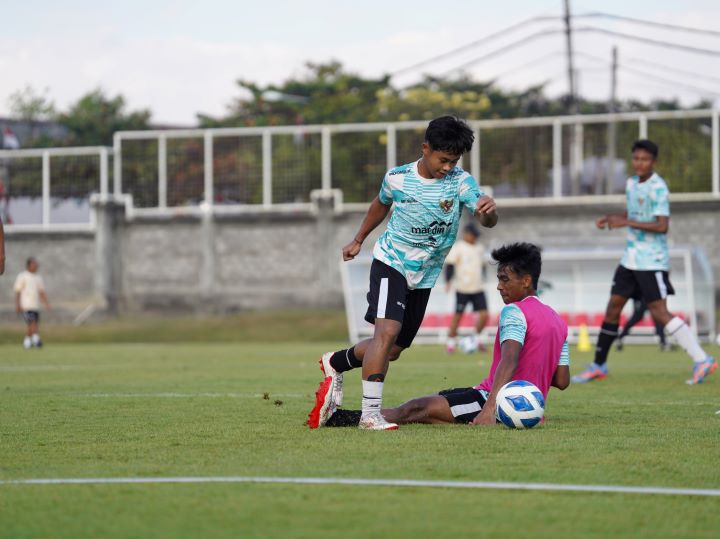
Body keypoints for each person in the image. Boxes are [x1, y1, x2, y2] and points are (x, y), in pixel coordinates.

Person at [307, 116, 498, 431]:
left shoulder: (462, 183)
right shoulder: (397, 178)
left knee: (393, 349)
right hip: (391, 262)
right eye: (443, 159)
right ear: (425, 148)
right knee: (387, 331)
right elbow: (380, 205)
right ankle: (370, 415)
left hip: (424, 275)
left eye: (454, 161)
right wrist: (358, 239)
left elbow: (484, 215)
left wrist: (488, 213)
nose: (448, 167)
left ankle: (336, 362)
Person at [314, 243, 569, 428]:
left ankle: (338, 418)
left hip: (495, 403)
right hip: (523, 406)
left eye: (505, 279)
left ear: (526, 281)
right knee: (440, 398)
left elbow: (510, 360)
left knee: (416, 408)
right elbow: (561, 380)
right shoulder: (559, 321)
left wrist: (490, 409)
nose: (499, 286)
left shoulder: (515, 311)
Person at [573, 139, 715, 385]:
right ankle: (598, 365)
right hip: (631, 259)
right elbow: (633, 214)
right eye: (636, 158)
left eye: (645, 159)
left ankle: (702, 359)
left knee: (660, 312)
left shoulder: (658, 187)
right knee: (613, 307)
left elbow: (662, 225)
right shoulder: (631, 183)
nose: (640, 163)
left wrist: (625, 223)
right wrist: (612, 217)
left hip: (652, 260)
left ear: (654, 162)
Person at [444, 223, 489, 353]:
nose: (475, 238)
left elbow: (483, 266)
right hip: (462, 288)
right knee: (457, 316)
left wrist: (484, 278)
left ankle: (477, 338)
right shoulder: (458, 247)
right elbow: (450, 265)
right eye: (473, 235)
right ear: (467, 234)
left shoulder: (479, 248)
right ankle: (451, 343)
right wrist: (448, 281)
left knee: (484, 315)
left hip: (478, 288)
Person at [14, 257, 51, 349]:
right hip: (26, 305)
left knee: (33, 324)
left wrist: (46, 303)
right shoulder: (22, 276)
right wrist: (18, 305)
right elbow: (18, 291)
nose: (36, 266)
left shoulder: (38, 278)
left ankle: (28, 342)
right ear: (29, 265)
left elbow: (41, 291)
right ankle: (35, 340)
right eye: (34, 264)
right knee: (32, 323)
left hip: (35, 305)